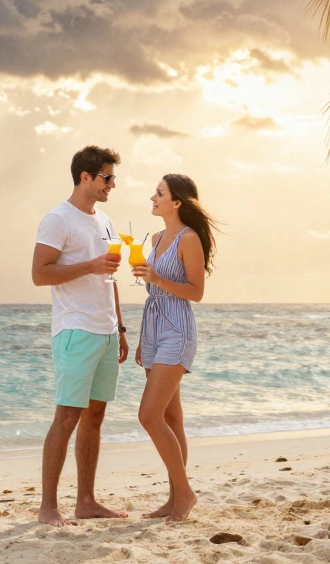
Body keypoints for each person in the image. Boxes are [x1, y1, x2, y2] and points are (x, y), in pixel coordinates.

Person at [31, 145, 130, 527]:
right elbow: (40, 274)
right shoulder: (58, 219)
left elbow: (109, 277)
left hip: (105, 330)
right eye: (107, 177)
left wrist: (119, 327)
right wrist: (89, 265)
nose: (112, 184)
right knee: (67, 417)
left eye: (113, 178)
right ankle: (48, 508)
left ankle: (86, 501)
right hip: (75, 329)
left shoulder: (103, 220)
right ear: (85, 177)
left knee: (95, 417)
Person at [131, 173, 217, 521]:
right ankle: (173, 499)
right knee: (171, 417)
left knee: (148, 415)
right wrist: (141, 340)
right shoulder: (155, 237)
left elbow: (196, 292)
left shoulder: (189, 238)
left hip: (177, 331)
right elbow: (154, 293)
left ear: (177, 202)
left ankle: (184, 494)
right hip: (153, 329)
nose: (153, 197)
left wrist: (156, 278)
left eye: (160, 193)